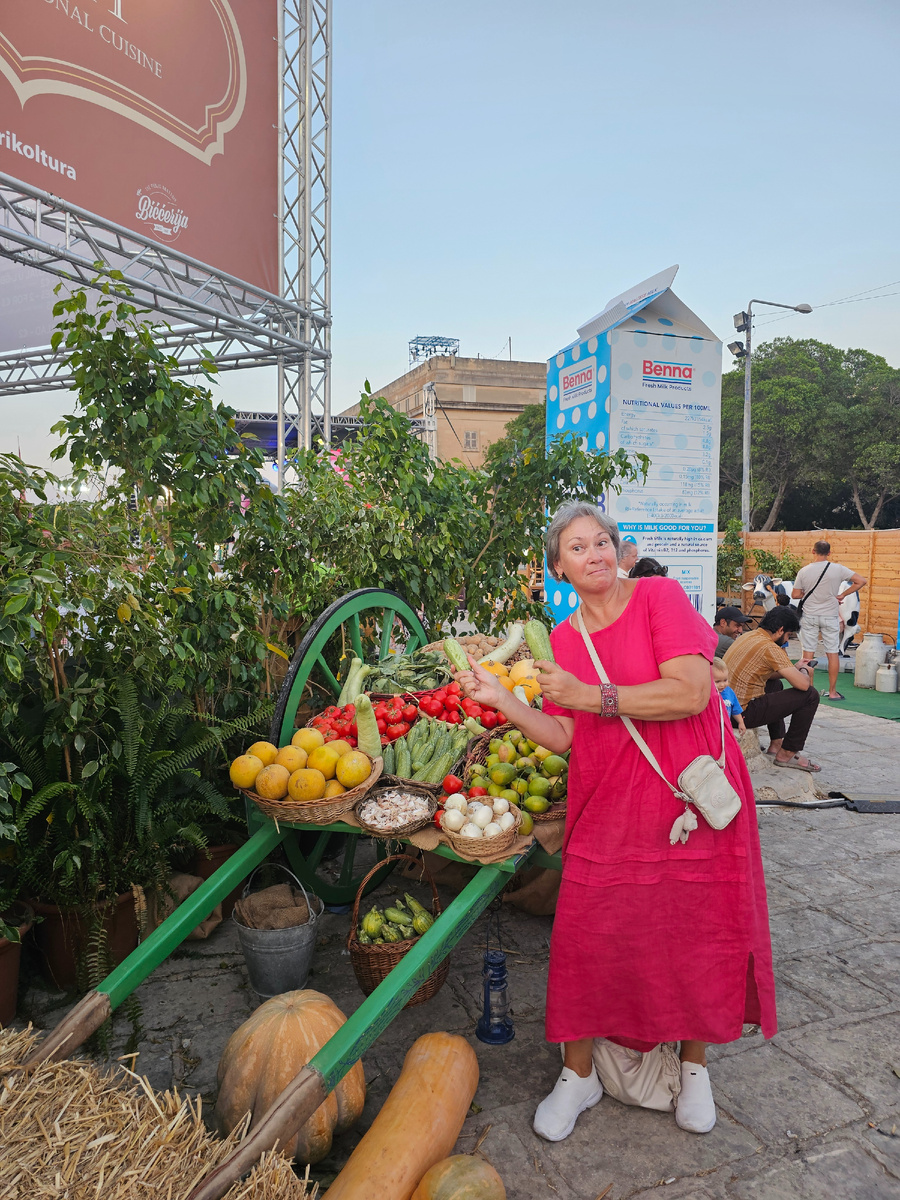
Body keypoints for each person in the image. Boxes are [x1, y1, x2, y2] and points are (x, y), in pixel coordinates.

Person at [455, 501, 775, 1142]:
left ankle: (693, 1069)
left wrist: (591, 696)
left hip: (686, 797)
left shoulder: (658, 597)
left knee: (693, 930)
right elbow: (566, 734)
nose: (596, 553)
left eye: (603, 540)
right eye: (578, 547)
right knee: (587, 934)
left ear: (618, 549)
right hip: (608, 802)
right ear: (558, 568)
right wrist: (504, 703)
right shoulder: (567, 640)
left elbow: (688, 690)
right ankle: (578, 1076)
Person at [723, 607, 820, 771]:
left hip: (725, 707)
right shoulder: (770, 647)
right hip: (742, 713)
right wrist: (804, 671)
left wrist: (794, 668)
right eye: (788, 635)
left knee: (775, 685)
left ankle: (776, 743)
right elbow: (803, 685)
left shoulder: (749, 636)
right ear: (781, 630)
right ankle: (787, 753)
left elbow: (765, 674)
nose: (786, 639)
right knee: (811, 695)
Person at [792, 541, 867, 702]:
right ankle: (833, 692)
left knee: (808, 654)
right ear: (829, 553)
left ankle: (809, 691)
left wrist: (806, 593)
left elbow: (795, 594)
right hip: (830, 616)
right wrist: (843, 595)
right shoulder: (838, 569)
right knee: (832, 653)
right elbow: (861, 581)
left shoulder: (804, 571)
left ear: (813, 551)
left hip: (810, 616)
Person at [712, 658, 746, 735]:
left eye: (725, 680)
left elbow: (735, 710)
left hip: (726, 728)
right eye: (717, 682)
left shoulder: (729, 692)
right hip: (712, 728)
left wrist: (741, 722)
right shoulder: (707, 694)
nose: (722, 685)